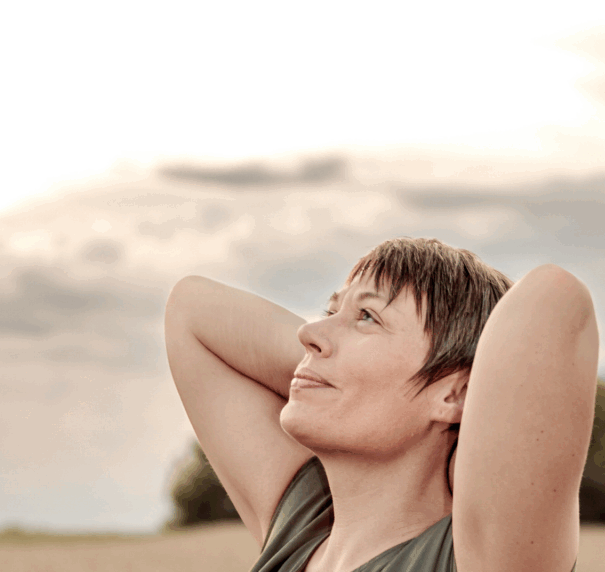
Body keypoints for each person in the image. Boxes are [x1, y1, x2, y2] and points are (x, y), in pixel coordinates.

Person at [164, 237, 597, 572]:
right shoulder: (300, 527)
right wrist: (330, 368)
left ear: (457, 394)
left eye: (368, 317)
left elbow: (554, 296)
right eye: (329, 311)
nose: (309, 333)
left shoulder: (478, 556)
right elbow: (190, 307)